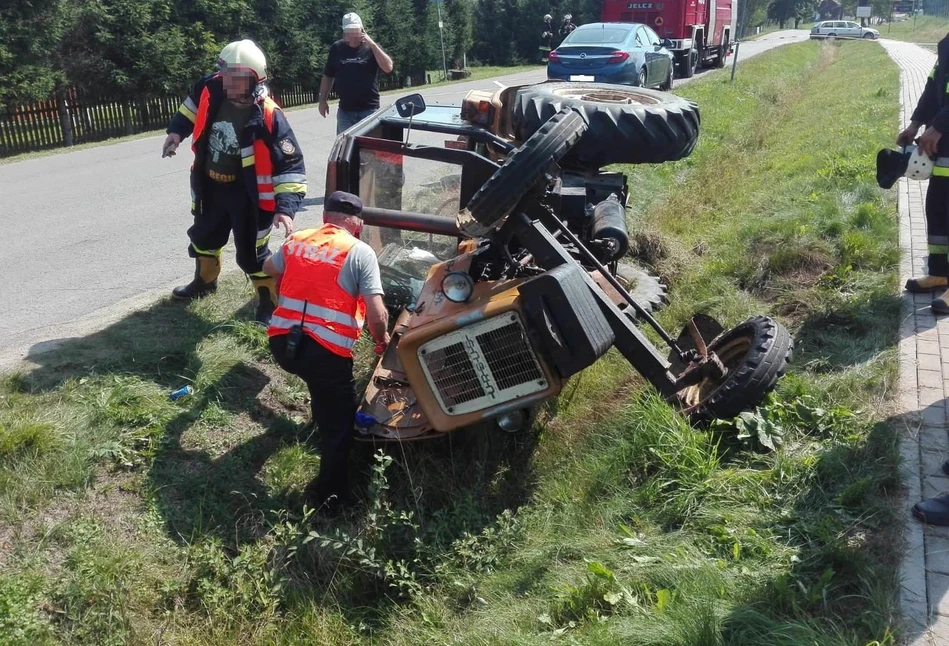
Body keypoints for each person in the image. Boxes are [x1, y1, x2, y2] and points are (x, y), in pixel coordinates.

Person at [162, 40, 307, 326]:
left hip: (248, 197)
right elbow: (190, 108)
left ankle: (268, 303)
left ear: (253, 79)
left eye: (233, 76)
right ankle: (204, 282)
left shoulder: (268, 115)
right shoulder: (210, 88)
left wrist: (285, 208)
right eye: (223, 73)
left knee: (252, 253)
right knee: (204, 237)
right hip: (210, 187)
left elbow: (291, 165)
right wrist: (176, 133)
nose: (225, 80)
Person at [264, 191, 390, 513]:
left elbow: (268, 265)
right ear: (357, 223)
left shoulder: (297, 240)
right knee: (339, 426)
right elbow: (377, 314)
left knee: (319, 385)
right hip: (325, 351)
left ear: (325, 217)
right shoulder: (360, 252)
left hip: (282, 344)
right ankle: (331, 498)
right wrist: (382, 340)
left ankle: (318, 418)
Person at [899, 32, 949, 315]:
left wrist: (939, 125)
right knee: (939, 209)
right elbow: (933, 86)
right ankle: (940, 273)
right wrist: (916, 124)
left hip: (945, 131)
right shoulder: (947, 43)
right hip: (945, 143)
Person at [318, 12, 395, 135]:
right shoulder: (337, 48)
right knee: (346, 151)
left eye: (355, 31)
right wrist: (322, 100)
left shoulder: (371, 48)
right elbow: (328, 76)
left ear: (362, 30)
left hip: (369, 110)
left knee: (368, 151)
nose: (353, 35)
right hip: (345, 112)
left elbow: (388, 67)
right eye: (349, 32)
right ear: (344, 33)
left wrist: (373, 45)